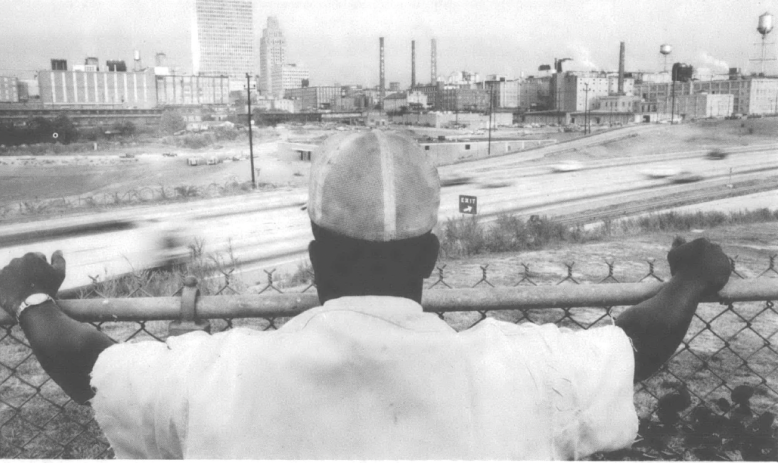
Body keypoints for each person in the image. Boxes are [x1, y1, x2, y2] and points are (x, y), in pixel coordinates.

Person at [0, 130, 731, 459]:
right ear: (433, 254)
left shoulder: (219, 374)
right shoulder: (522, 370)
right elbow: (638, 346)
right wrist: (693, 278)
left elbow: (88, 366)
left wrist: (32, 298)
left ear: (316, 257)